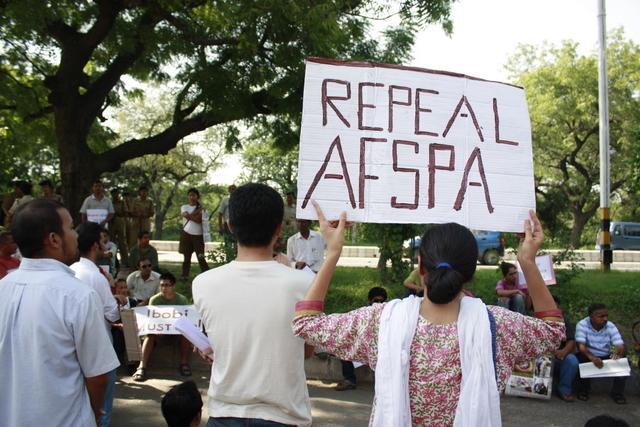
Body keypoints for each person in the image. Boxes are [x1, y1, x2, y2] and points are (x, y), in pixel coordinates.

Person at [293, 204, 565, 426]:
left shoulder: (383, 323)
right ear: (470, 273)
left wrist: (332, 253)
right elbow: (554, 333)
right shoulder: (497, 326)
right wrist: (528, 262)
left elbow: (306, 324)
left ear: (420, 266)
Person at [193, 183, 313, 427]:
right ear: (279, 228)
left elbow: (218, 344)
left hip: (223, 415)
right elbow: (306, 351)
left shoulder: (203, 283)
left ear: (230, 225)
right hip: (284, 416)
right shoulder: (305, 282)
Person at [0, 199, 120, 426]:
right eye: (71, 227)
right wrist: (94, 414)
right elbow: (98, 375)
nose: (76, 235)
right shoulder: (79, 296)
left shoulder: (3, 288)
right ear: (54, 239)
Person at [71, 222, 126, 427]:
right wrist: (118, 302)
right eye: (103, 241)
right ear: (95, 246)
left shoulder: (71, 270)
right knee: (101, 411)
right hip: (98, 349)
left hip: (74, 349)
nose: (106, 246)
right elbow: (112, 315)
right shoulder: (96, 276)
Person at [132, 272, 192, 381]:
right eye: (162, 285)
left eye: (167, 285)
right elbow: (152, 319)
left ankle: (184, 364)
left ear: (173, 286)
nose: (164, 288)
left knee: (186, 333)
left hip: (176, 333)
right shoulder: (155, 299)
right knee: (150, 335)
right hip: (159, 334)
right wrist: (157, 328)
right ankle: (142, 367)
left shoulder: (182, 300)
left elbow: (185, 320)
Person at [335, 286, 389, 391]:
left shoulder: (388, 313)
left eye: (381, 301)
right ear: (369, 300)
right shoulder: (363, 313)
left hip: (380, 347)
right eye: (376, 301)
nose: (378, 304)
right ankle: (349, 380)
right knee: (344, 348)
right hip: (363, 345)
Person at [575, 303, 628, 404]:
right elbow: (581, 346)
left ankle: (617, 393)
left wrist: (619, 353)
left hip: (605, 355)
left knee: (623, 362)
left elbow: (620, 345)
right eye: (601, 316)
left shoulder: (610, 326)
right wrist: (593, 358)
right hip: (588, 354)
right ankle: (583, 390)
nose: (605, 319)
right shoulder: (582, 324)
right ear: (591, 316)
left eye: (606, 315)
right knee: (580, 361)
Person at [552, 296, 579, 402]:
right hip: (539, 356)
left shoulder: (564, 322)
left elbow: (571, 341)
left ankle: (564, 390)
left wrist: (563, 351)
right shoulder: (535, 320)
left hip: (558, 358)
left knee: (572, 360)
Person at [179, 188, 209, 279]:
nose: (192, 197)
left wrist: (190, 216)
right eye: (190, 195)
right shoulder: (184, 207)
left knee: (200, 257)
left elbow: (199, 220)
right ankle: (185, 275)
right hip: (186, 234)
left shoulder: (203, 209)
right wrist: (196, 214)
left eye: (194, 195)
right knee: (186, 256)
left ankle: (206, 274)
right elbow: (185, 215)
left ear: (197, 197)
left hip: (198, 235)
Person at [109, 188, 129, 267]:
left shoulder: (122, 202)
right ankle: (114, 260)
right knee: (112, 241)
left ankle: (125, 261)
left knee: (122, 242)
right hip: (111, 222)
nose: (115, 195)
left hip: (120, 221)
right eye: (113, 194)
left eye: (116, 193)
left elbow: (126, 212)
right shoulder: (109, 202)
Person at [217, 184, 237, 256]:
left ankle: (236, 260)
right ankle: (228, 260)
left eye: (234, 189)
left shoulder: (239, 200)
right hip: (227, 224)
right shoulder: (225, 200)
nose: (233, 190)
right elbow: (220, 214)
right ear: (229, 190)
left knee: (237, 244)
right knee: (228, 244)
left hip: (236, 225)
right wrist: (220, 226)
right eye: (231, 189)